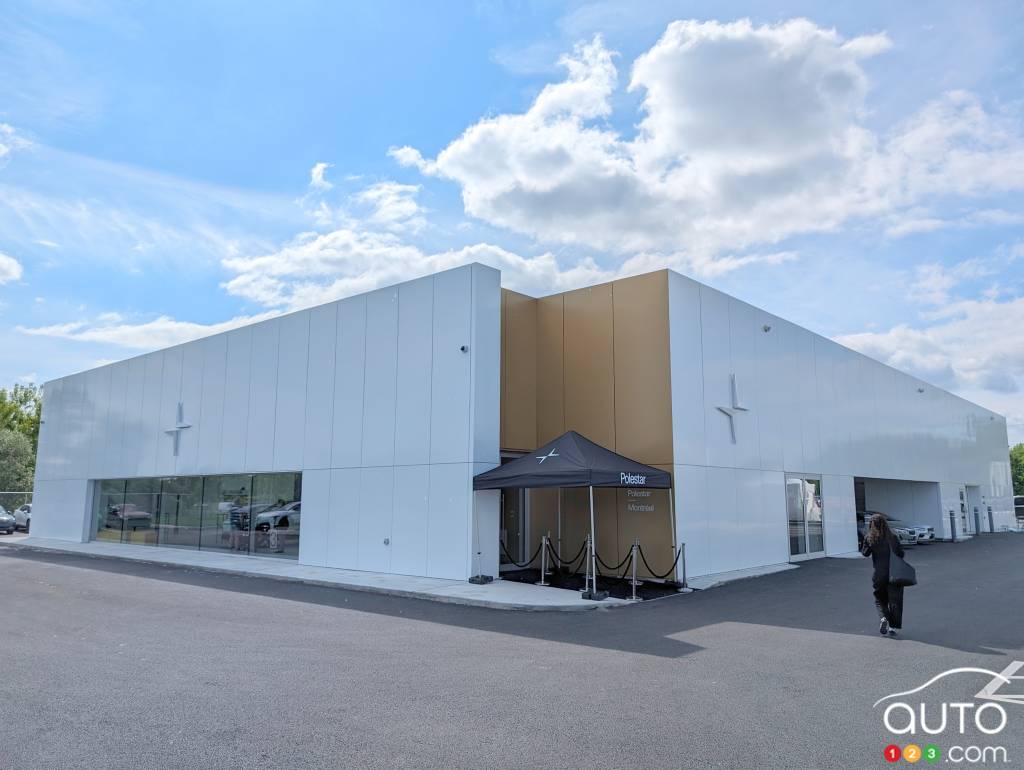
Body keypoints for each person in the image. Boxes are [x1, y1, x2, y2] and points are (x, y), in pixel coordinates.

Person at [860, 513, 905, 636]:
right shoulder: (893, 537)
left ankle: (884, 618)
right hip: (894, 574)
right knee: (894, 600)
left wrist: (865, 543)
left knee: (880, 599)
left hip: (879, 575)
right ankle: (893, 628)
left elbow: (865, 553)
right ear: (885, 524)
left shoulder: (870, 538)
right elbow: (901, 554)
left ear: (872, 525)